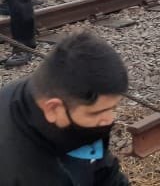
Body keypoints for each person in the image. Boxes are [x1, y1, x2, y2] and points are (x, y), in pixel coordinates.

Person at [0, 30, 129, 183]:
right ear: (53, 108)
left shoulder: (51, 89)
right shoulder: (21, 172)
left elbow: (105, 171)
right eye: (96, 113)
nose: (109, 119)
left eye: (113, 108)